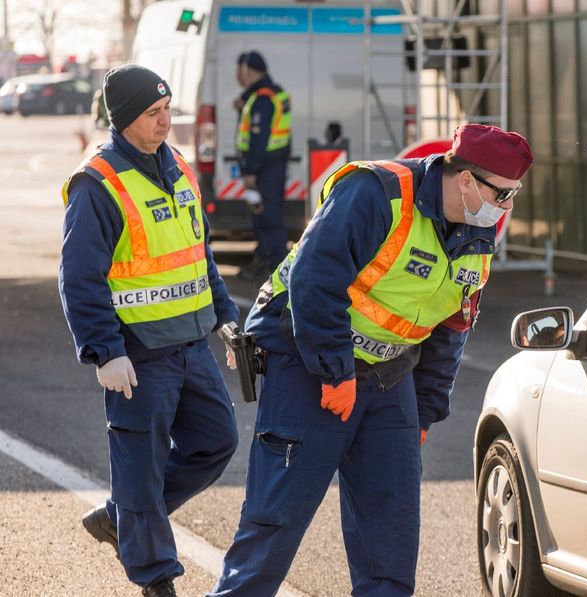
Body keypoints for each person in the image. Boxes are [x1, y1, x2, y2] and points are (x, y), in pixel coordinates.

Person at [209, 123, 533, 596]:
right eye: (502, 194)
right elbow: (313, 282)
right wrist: (335, 372)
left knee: (391, 539)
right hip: (308, 363)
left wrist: (425, 409)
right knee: (274, 527)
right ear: (466, 180)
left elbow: (451, 328)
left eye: (513, 195)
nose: (506, 207)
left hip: (390, 376)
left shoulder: (477, 232)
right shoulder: (374, 194)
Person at [59, 64, 240, 597]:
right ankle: (157, 578)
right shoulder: (97, 184)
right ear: (123, 119)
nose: (165, 122)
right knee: (140, 465)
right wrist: (103, 351)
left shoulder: (178, 165)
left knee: (216, 442)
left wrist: (225, 316)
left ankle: (123, 516)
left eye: (167, 110)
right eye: (152, 114)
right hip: (136, 355)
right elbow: (78, 276)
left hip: (190, 343)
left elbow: (197, 256)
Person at [234, 50, 292, 281]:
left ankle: (275, 266)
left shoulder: (263, 99)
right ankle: (266, 259)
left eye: (239, 71)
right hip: (272, 167)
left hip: (264, 170)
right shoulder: (273, 94)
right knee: (265, 216)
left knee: (268, 218)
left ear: (247, 71)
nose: (237, 76)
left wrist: (251, 171)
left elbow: (258, 138)